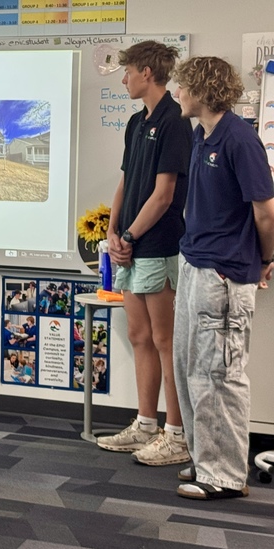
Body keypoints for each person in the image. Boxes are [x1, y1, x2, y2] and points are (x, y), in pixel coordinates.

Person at [170, 56, 274, 500]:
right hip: (195, 264)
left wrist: (267, 258)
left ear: (201, 91)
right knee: (189, 370)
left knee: (220, 376)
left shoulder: (240, 139)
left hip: (225, 276)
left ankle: (226, 476)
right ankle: (205, 460)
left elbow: (266, 210)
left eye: (182, 87)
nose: (178, 93)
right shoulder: (201, 134)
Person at [95, 41, 193, 466]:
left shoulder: (175, 121)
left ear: (147, 73)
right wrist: (113, 232)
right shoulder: (136, 122)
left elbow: (165, 194)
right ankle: (146, 424)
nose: (124, 79)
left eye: (128, 71)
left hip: (157, 245)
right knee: (139, 338)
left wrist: (131, 236)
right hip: (130, 246)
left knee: (165, 341)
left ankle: (177, 433)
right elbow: (124, 183)